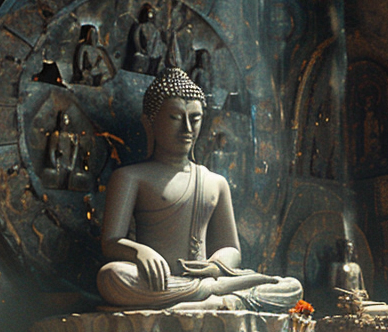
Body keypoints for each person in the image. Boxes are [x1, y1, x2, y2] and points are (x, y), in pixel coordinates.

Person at [95, 67, 303, 311]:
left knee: (291, 286)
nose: (186, 129)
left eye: (195, 119)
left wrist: (217, 266)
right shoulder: (131, 177)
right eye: (174, 117)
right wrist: (140, 252)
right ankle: (218, 300)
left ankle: (208, 297)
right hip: (160, 282)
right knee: (111, 276)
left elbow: (232, 249)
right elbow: (110, 241)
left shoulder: (215, 182)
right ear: (149, 122)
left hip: (208, 279)